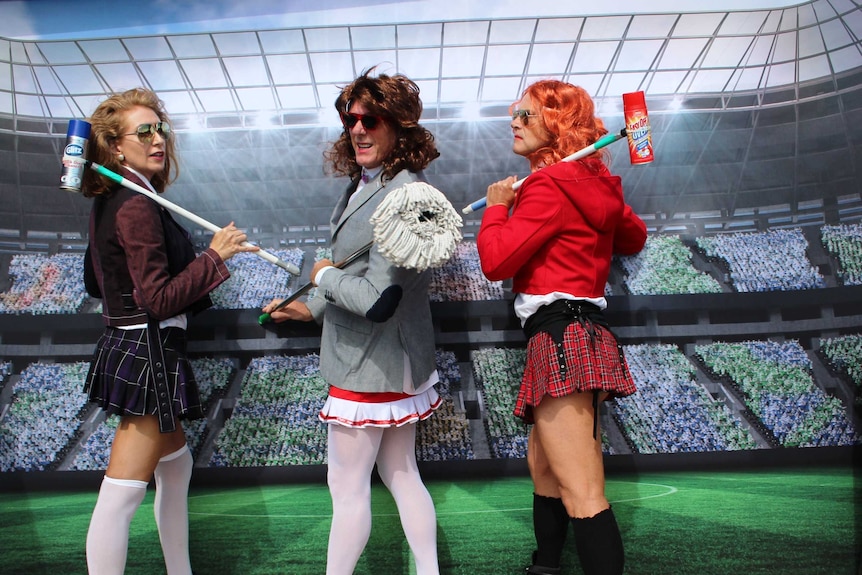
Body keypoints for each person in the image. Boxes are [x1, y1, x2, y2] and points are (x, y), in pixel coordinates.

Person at [262, 68, 443, 575]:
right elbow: (356, 269)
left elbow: (379, 298)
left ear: (399, 126)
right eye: (351, 118)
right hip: (392, 359)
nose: (358, 128)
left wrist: (320, 279)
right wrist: (311, 306)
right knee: (402, 471)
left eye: (373, 118)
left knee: (347, 486)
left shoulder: (404, 194)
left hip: (371, 362)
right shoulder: (372, 183)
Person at [80, 87, 257, 575]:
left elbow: (94, 280)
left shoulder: (121, 196)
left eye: (160, 129)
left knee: (176, 468)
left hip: (140, 344)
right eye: (144, 131)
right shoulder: (134, 203)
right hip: (149, 349)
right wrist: (214, 256)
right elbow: (157, 301)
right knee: (122, 492)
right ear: (115, 147)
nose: (157, 139)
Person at [476, 80, 647, 575]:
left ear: (556, 125)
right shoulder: (585, 185)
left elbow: (496, 260)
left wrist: (497, 206)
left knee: (584, 492)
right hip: (576, 334)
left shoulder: (549, 186)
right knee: (547, 473)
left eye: (526, 115)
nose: (514, 122)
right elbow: (632, 236)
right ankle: (545, 567)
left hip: (561, 332)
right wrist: (598, 186)